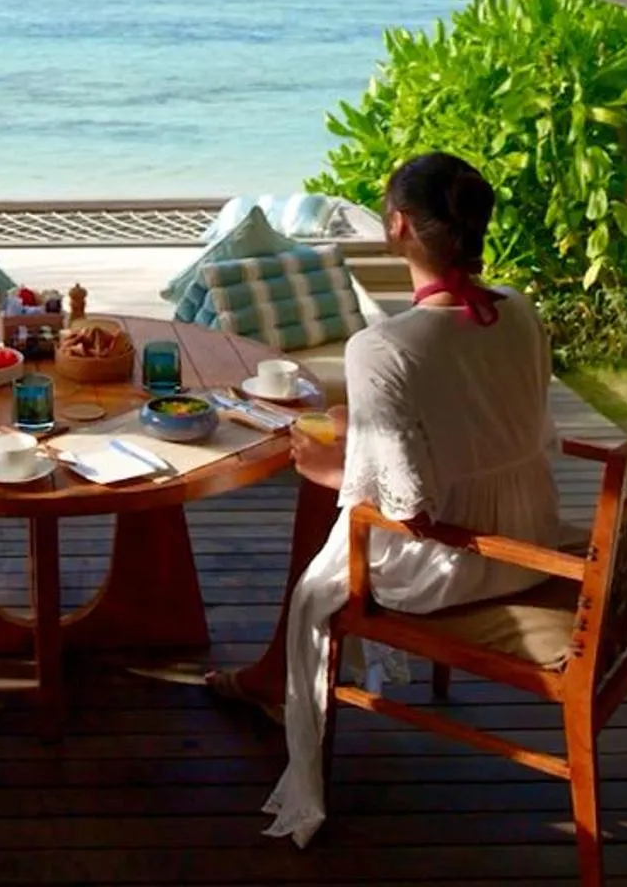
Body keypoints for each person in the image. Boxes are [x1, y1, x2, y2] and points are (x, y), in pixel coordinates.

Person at [207, 152, 569, 846]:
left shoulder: (381, 346)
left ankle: (274, 685)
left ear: (396, 226)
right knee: (335, 505)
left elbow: (407, 511)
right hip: (534, 531)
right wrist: (360, 435)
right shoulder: (516, 310)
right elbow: (492, 421)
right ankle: (263, 676)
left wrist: (324, 466)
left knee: (329, 519)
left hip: (462, 560)